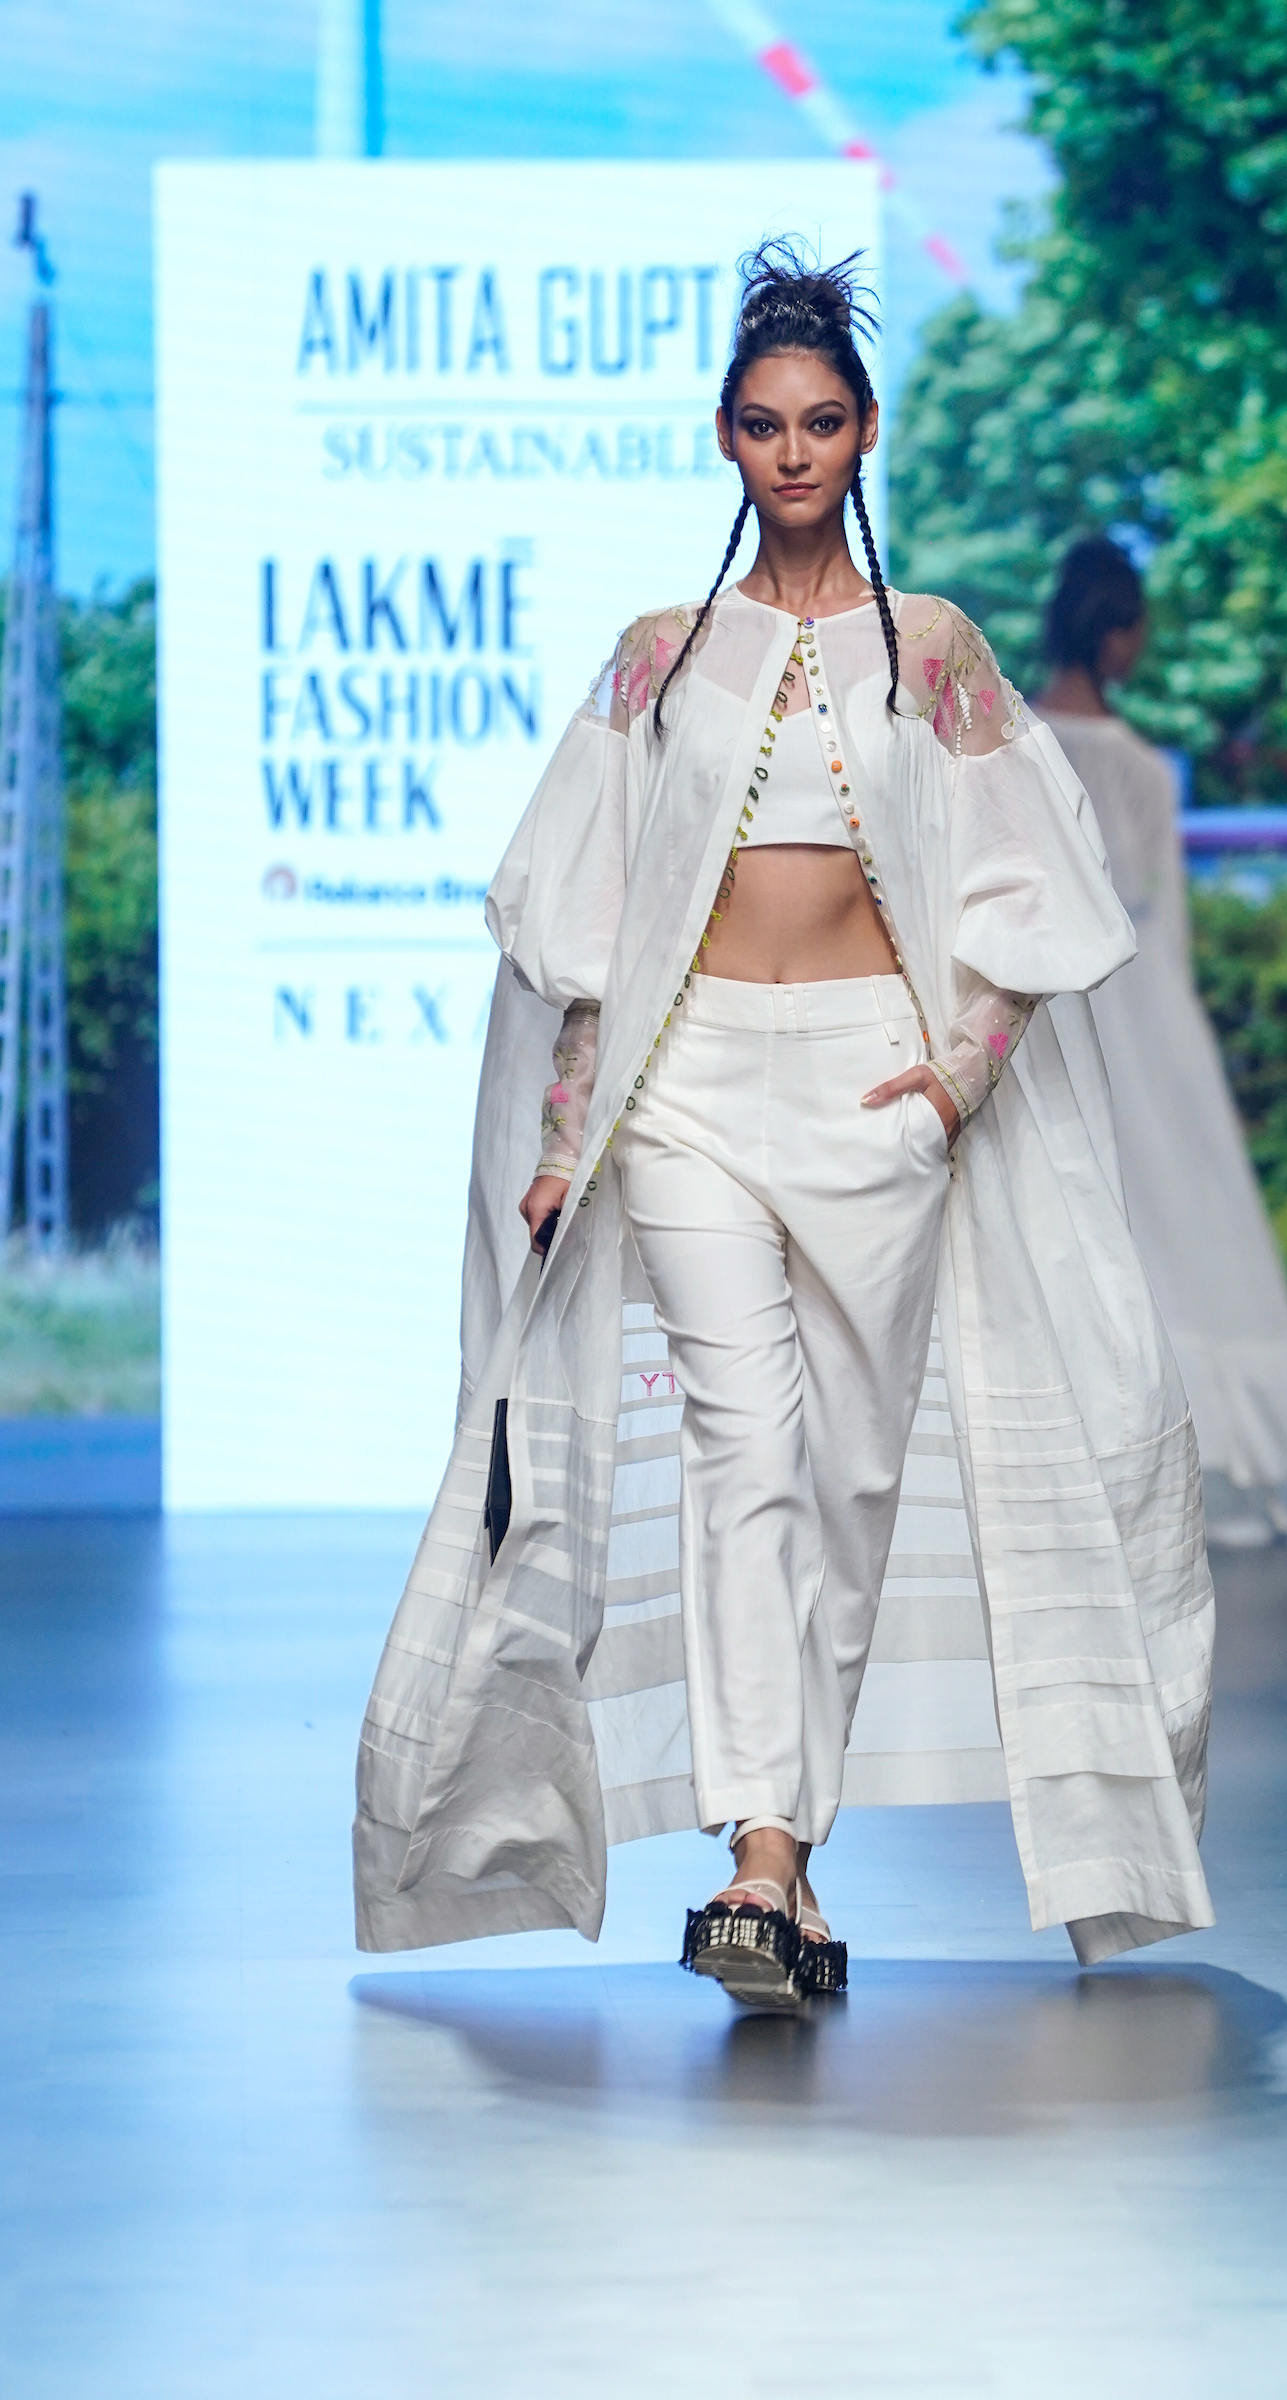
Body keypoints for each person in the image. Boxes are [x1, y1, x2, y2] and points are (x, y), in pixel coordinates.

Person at [354, 251, 1216, 2009]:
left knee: (851, 1475)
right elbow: (596, 920)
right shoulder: (658, 661)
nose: (796, 451)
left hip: (874, 1085)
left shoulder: (939, 655)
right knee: (749, 1444)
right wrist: (565, 1131)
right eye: (764, 424)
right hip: (685, 1089)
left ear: (867, 433)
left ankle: (797, 1868)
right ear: (727, 441)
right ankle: (757, 1853)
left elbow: (1033, 902)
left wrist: (956, 1077)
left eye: (824, 422)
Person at [1033, 537, 1287, 1544]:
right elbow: (1159, 919)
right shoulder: (1138, 766)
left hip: (1040, 1008)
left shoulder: (1014, 746)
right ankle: (1200, 1451)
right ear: (1120, 634)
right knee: (1172, 1219)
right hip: (1135, 1008)